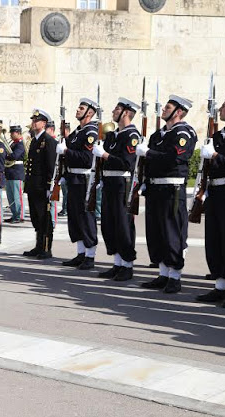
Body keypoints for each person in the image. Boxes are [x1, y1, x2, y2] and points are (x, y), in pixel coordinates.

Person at [137, 95, 196, 294]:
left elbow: (174, 159)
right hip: (155, 188)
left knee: (172, 233)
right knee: (156, 233)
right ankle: (163, 274)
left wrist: (149, 154)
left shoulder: (184, 133)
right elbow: (149, 164)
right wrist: (145, 182)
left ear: (178, 112)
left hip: (172, 188)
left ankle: (175, 277)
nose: (163, 109)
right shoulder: (158, 135)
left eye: (168, 107)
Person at [93, 98, 140, 281]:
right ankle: (118, 263)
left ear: (126, 113)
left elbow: (126, 164)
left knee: (123, 226)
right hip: (110, 184)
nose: (114, 111)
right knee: (109, 225)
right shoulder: (114, 135)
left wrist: (104, 155)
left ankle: (127, 265)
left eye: (117, 108)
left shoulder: (131, 136)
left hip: (122, 185)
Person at [197, 91, 225, 306]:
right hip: (215, 193)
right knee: (215, 240)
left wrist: (216, 156)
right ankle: (220, 286)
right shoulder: (219, 136)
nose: (220, 110)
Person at [57, 98, 100, 270]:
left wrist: (67, 151)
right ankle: (81, 253)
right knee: (74, 217)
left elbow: (86, 159)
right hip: (73, 179)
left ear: (89, 113)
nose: (77, 110)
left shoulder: (90, 132)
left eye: (81, 108)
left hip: (84, 180)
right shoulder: (76, 132)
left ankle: (90, 256)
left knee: (86, 217)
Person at [23, 109, 57, 259]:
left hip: (43, 186)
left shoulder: (48, 141)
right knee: (35, 216)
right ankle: (38, 245)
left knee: (44, 217)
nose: (33, 123)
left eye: (36, 121)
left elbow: (50, 165)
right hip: (33, 185)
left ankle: (46, 248)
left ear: (43, 123)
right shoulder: (35, 140)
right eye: (33, 120)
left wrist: (50, 186)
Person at [5, 125, 26, 223]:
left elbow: (14, 156)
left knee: (17, 196)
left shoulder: (20, 144)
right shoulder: (13, 144)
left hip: (17, 172)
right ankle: (14, 214)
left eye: (12, 133)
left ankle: (20, 215)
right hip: (10, 172)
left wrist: (5, 155)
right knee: (10, 196)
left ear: (18, 133)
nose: (11, 135)